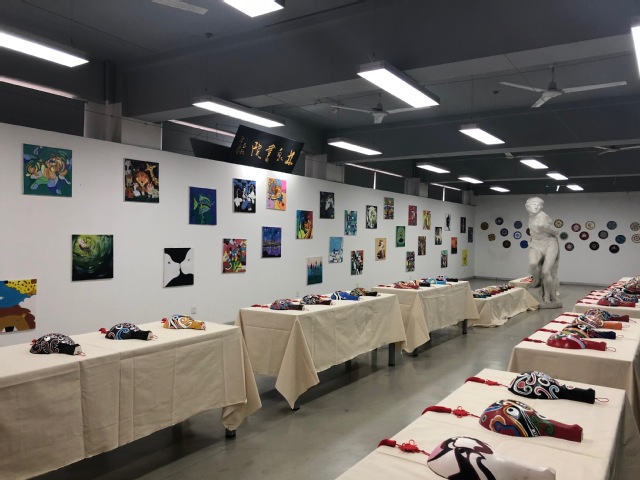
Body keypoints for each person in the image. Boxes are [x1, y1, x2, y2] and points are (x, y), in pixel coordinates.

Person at [525, 197, 560, 303]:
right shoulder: (531, 217)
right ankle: (536, 280)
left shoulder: (543, 216)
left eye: (538, 205)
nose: (536, 207)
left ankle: (548, 296)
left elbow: (556, 231)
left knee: (546, 271)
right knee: (532, 264)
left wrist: (545, 227)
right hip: (535, 243)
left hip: (550, 243)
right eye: (533, 204)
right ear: (527, 207)